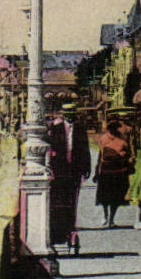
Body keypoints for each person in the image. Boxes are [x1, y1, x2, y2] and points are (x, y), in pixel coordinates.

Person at [45, 102, 91, 245]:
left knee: (73, 200)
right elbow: (50, 148)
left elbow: (85, 148)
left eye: (72, 113)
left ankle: (71, 226)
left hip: (75, 169)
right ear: (63, 115)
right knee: (60, 200)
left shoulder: (80, 129)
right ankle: (60, 229)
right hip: (60, 169)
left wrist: (86, 168)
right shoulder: (56, 128)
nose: (70, 116)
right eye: (67, 114)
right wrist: (50, 166)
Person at [93, 119, 134, 228]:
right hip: (106, 171)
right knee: (105, 197)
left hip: (119, 171)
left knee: (116, 197)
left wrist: (128, 160)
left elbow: (128, 153)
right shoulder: (103, 139)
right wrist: (97, 171)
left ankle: (111, 219)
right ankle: (106, 217)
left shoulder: (122, 139)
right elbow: (100, 156)